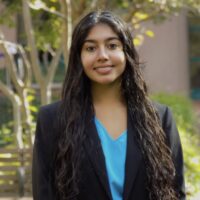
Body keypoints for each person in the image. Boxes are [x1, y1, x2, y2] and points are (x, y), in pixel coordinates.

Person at [32, 11, 186, 200]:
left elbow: (176, 191)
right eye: (90, 48)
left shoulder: (160, 118)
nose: (102, 56)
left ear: (126, 52)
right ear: (78, 57)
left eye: (112, 45)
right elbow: (44, 194)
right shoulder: (51, 119)